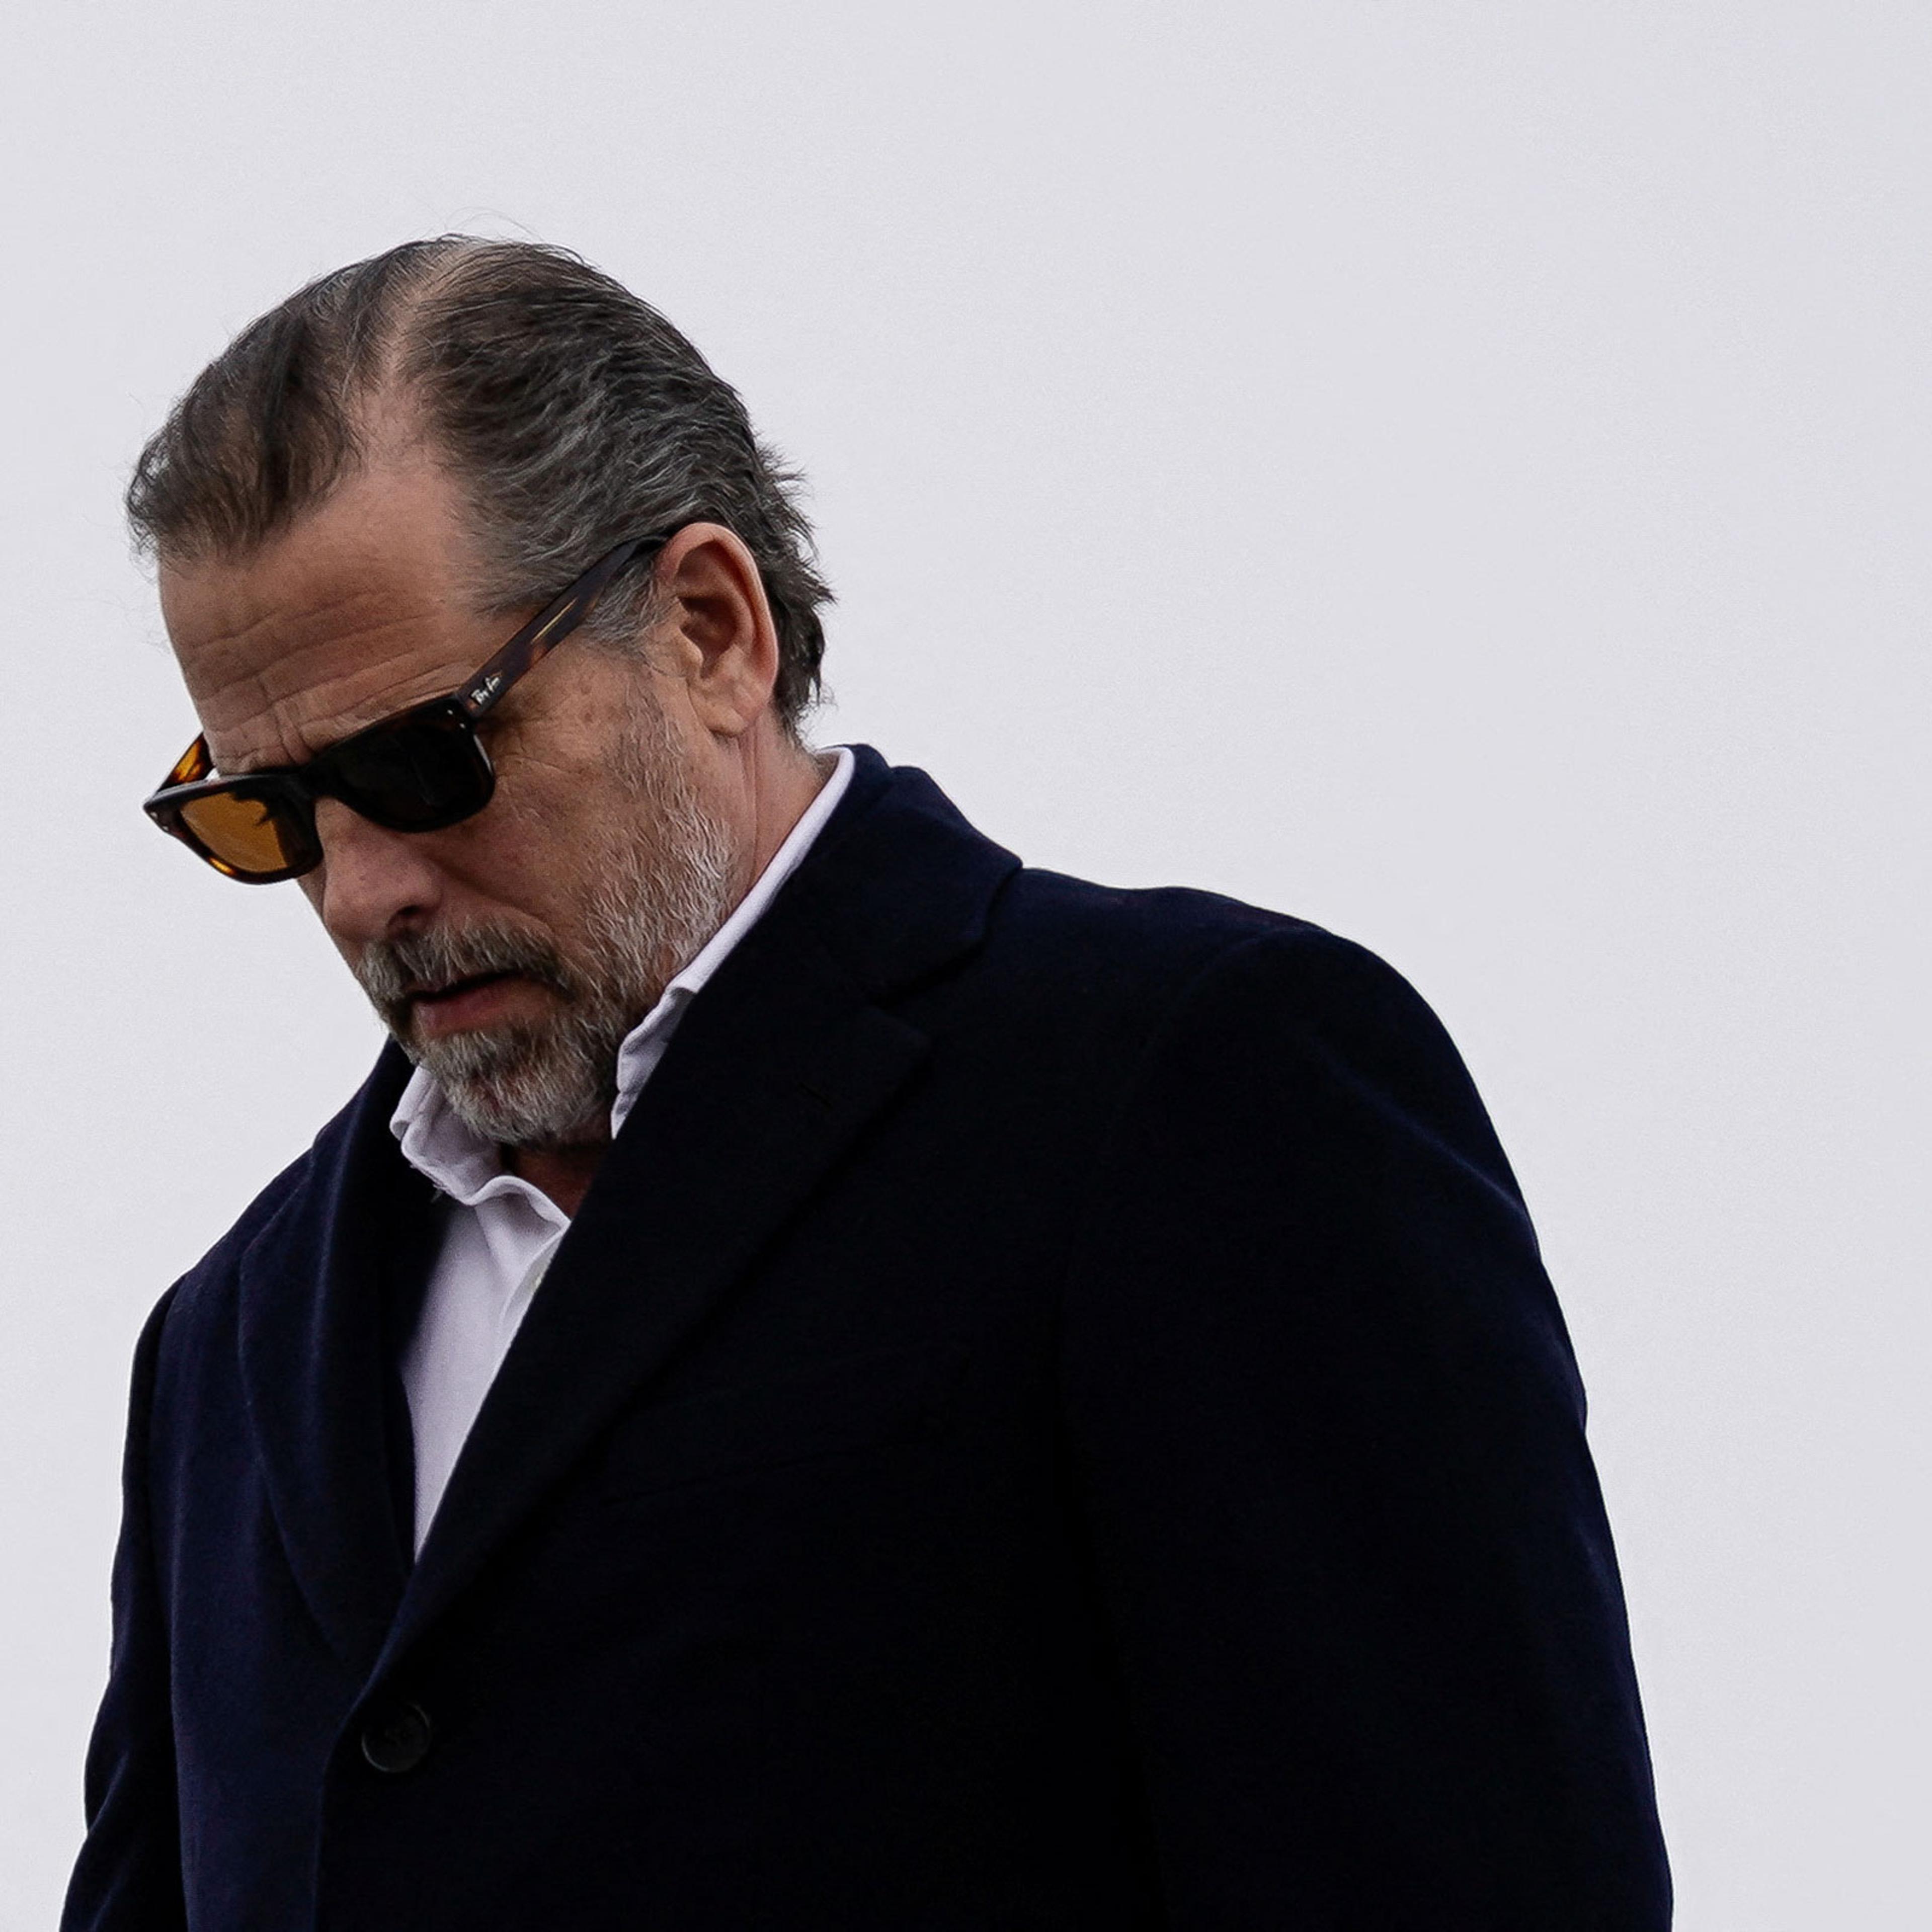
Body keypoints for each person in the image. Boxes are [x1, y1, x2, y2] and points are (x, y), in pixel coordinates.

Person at [64, 237, 1671, 1931]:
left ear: (711, 629)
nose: (359, 886)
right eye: (266, 816)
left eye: (418, 760)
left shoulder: (1199, 1089)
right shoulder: (223, 1348)